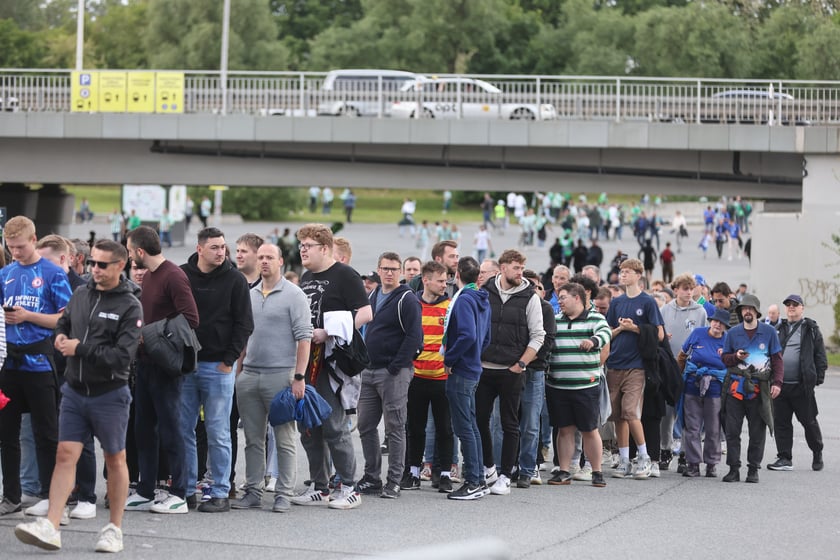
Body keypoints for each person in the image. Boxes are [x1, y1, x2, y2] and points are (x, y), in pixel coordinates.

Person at [13, 240, 142, 552]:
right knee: (64, 454)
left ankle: (114, 528)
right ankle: (52, 526)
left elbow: (123, 357)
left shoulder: (130, 305)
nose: (95, 270)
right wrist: (59, 335)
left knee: (115, 458)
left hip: (110, 393)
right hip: (74, 390)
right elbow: (65, 321)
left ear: (120, 266)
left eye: (103, 265)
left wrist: (79, 349)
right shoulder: (81, 293)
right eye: (94, 263)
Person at [292, 223, 372, 510]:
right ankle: (319, 485)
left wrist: (330, 331)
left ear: (324, 248)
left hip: (331, 362)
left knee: (334, 426)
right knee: (308, 426)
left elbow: (365, 313)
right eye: (300, 245)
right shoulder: (305, 277)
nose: (302, 250)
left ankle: (349, 487)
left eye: (307, 245)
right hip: (305, 359)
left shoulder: (345, 274)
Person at [0, 217, 72, 518]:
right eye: (10, 247)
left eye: (20, 246)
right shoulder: (5, 273)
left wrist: (28, 316)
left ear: (34, 240)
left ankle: (51, 495)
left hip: (40, 362)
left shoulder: (53, 273)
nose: (15, 252)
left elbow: (65, 319)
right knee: (7, 434)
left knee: (46, 433)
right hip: (9, 364)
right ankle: (11, 496)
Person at [124, 226, 199, 515]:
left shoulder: (173, 275)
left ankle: (178, 493)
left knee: (171, 430)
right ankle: (145, 490)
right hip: (145, 364)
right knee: (144, 429)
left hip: (167, 367)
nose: (130, 255)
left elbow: (191, 317)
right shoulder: (152, 276)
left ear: (140, 252)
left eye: (131, 251)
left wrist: (151, 335)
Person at [232, 244, 312, 512]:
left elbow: (304, 338)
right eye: (261, 257)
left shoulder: (295, 295)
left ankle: (283, 493)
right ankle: (253, 490)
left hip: (281, 376)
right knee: (253, 438)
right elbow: (243, 335)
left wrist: (299, 377)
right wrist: (239, 372)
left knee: (284, 437)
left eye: (270, 258)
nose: (264, 261)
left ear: (280, 261)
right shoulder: (250, 294)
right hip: (250, 375)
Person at [180, 227, 254, 513]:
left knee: (219, 431)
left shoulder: (234, 279)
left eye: (223, 246)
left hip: (219, 366)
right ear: (200, 249)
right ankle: (186, 490)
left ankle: (221, 491)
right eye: (214, 247)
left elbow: (244, 324)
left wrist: (229, 360)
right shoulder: (183, 275)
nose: (221, 252)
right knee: (184, 429)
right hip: (187, 366)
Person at [477, 249, 546, 496]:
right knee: (479, 420)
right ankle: (488, 468)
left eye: (521, 268)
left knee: (510, 424)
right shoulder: (485, 290)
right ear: (503, 268)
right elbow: (476, 324)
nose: (520, 273)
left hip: (512, 370)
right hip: (484, 368)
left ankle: (506, 475)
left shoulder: (530, 297)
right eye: (515, 268)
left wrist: (521, 364)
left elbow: (539, 336)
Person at [355, 252, 422, 499]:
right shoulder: (372, 295)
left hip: (393, 372)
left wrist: (396, 366)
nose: (390, 273)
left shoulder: (407, 299)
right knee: (365, 425)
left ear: (401, 272)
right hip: (368, 371)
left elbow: (415, 337)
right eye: (386, 268)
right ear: (379, 269)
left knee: (395, 427)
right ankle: (371, 477)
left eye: (394, 269)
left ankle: (394, 480)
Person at [547, 282, 611, 488]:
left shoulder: (596, 318)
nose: (560, 302)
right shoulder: (555, 320)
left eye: (563, 297)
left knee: (589, 429)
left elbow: (605, 334)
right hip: (558, 385)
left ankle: (597, 471)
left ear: (577, 298)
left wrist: (593, 341)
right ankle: (564, 471)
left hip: (586, 385)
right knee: (564, 429)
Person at [605, 258, 664, 480]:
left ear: (638, 275)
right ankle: (624, 459)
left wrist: (635, 328)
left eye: (627, 272)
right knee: (617, 414)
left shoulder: (647, 302)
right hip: (615, 364)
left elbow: (658, 334)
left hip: (637, 366)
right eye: (621, 272)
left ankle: (644, 456)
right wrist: (621, 329)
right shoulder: (617, 302)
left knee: (631, 411)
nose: (623, 275)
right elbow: (608, 332)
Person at [402, 261, 454, 493]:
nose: (445, 285)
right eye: (441, 281)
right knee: (415, 427)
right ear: (426, 280)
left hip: (443, 378)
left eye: (446, 281)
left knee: (445, 428)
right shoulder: (413, 305)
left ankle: (443, 474)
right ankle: (412, 471)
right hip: (416, 377)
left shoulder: (451, 306)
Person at [720, 294, 783, 484]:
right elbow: (724, 359)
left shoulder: (769, 332)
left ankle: (753, 469)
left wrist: (777, 383)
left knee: (757, 432)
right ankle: (733, 468)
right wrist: (736, 357)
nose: (747, 312)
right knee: (732, 431)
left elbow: (777, 360)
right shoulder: (732, 333)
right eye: (743, 309)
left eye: (750, 309)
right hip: (735, 388)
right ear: (740, 312)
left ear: (756, 311)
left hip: (759, 388)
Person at [443, 257, 492, 500]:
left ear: (458, 274)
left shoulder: (463, 299)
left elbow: (467, 335)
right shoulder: (482, 298)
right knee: (471, 426)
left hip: (461, 370)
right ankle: (479, 479)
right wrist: (473, 356)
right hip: (473, 367)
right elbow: (486, 339)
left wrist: (450, 359)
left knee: (464, 428)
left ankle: (473, 481)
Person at [767, 294, 827, 472]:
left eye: (795, 305)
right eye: (788, 305)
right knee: (781, 423)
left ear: (802, 308)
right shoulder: (779, 328)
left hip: (802, 386)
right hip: (780, 385)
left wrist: (817, 377)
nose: (791, 307)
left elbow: (820, 355)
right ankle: (785, 458)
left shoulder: (811, 329)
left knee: (809, 421)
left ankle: (817, 452)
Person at [658, 273, 707, 469]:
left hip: (691, 368)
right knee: (667, 413)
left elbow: (703, 338)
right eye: (684, 288)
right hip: (669, 368)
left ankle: (685, 453)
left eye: (691, 288)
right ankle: (665, 449)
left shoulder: (700, 311)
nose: (688, 292)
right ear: (676, 289)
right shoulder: (664, 310)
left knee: (689, 413)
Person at [677, 308, 729, 478]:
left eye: (721, 323)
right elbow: (683, 354)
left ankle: (711, 464)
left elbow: (732, 363)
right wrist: (679, 376)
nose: (717, 324)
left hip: (715, 388)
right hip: (693, 384)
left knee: (713, 428)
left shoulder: (727, 340)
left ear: (725, 326)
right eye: (715, 320)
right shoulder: (698, 333)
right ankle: (693, 464)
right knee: (692, 426)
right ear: (710, 321)